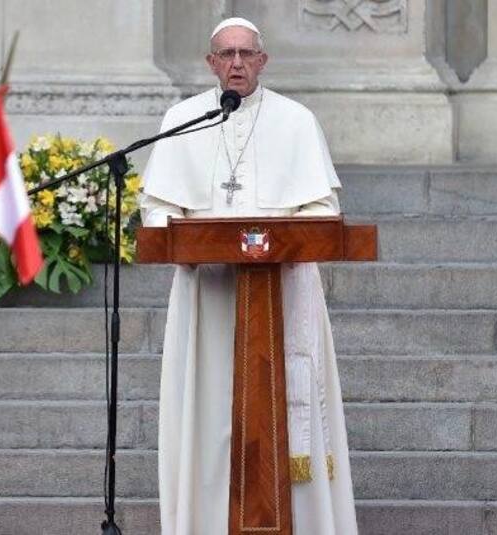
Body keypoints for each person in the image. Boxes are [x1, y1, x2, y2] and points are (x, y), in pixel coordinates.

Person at [141, 17, 358, 535]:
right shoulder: (183, 119)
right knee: (209, 411)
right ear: (210, 62)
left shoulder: (297, 121)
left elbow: (322, 209)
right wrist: (189, 243)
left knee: (280, 409)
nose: (236, 63)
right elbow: (157, 207)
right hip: (209, 296)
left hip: (282, 294)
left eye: (246, 53)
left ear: (263, 60)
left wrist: (280, 237)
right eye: (226, 54)